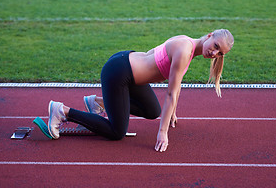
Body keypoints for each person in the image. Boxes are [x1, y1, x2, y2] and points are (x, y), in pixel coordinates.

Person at [47, 29, 234, 152]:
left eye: (220, 53)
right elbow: (171, 92)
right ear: (209, 35)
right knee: (116, 132)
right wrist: (162, 132)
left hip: (126, 65)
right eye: (216, 46)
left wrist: (172, 112)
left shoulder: (187, 43)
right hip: (119, 73)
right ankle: (62, 111)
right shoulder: (185, 50)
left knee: (153, 111)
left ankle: (98, 103)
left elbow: (160, 63)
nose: (214, 53)